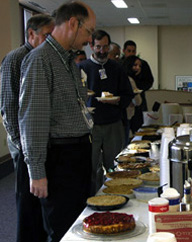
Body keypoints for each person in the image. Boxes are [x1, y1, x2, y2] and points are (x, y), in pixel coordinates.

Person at [18, 2, 96, 241]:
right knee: (62, 229)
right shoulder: (40, 60)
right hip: (59, 160)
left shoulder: (68, 61)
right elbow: (32, 120)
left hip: (77, 155)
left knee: (79, 225)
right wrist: (37, 172)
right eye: (89, 31)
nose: (89, 39)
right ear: (73, 23)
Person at [0, 14, 54, 242]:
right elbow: (8, 107)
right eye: (46, 36)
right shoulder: (16, 59)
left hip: (41, 143)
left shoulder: (42, 57)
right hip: (24, 146)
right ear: (31, 34)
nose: (50, 41)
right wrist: (24, 146)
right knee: (27, 203)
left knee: (43, 201)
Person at [78, 30, 134, 194]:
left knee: (114, 166)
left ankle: (115, 197)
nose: (102, 51)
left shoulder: (117, 68)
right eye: (98, 47)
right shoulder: (82, 68)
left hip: (113, 123)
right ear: (91, 46)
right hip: (90, 125)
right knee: (90, 167)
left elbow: (128, 94)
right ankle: (91, 200)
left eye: (105, 47)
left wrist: (118, 101)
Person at [121, 40, 154, 133]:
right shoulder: (120, 65)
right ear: (124, 51)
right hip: (125, 104)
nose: (131, 53)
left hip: (139, 99)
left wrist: (136, 87)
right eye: (129, 51)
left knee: (139, 128)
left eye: (133, 51)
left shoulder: (143, 64)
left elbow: (149, 81)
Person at [122, 55, 143, 145]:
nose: (137, 68)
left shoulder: (126, 78)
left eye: (139, 66)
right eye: (135, 65)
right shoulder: (130, 80)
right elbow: (137, 101)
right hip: (125, 116)